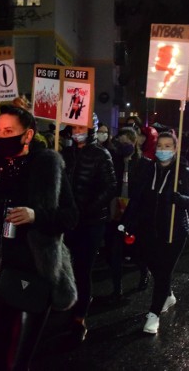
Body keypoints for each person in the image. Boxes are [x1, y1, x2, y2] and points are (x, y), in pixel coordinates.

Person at [0, 105, 78, 370]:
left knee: (17, 361)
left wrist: (36, 215)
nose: (2, 136)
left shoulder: (48, 167)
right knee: (4, 352)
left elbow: (71, 216)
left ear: (27, 136)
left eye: (10, 131)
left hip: (32, 275)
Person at [119, 131, 189, 334]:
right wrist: (126, 221)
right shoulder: (148, 169)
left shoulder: (184, 172)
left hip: (174, 231)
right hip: (149, 229)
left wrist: (179, 199)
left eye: (168, 146)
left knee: (163, 271)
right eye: (160, 146)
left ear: (175, 149)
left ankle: (154, 314)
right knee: (149, 263)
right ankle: (168, 294)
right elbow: (137, 197)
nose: (163, 150)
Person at [61, 113, 117, 341]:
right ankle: (69, 301)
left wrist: (88, 209)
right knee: (66, 266)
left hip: (91, 222)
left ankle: (79, 317)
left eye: (80, 127)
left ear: (91, 128)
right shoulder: (66, 154)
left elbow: (110, 187)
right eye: (73, 128)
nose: (76, 132)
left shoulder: (101, 155)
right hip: (68, 221)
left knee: (83, 269)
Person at [108, 127, 151, 300]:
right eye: (121, 142)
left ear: (135, 142)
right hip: (116, 211)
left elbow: (145, 192)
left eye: (127, 142)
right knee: (115, 252)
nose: (124, 145)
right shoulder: (113, 161)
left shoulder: (145, 164)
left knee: (136, 251)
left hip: (135, 213)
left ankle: (144, 272)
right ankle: (117, 288)